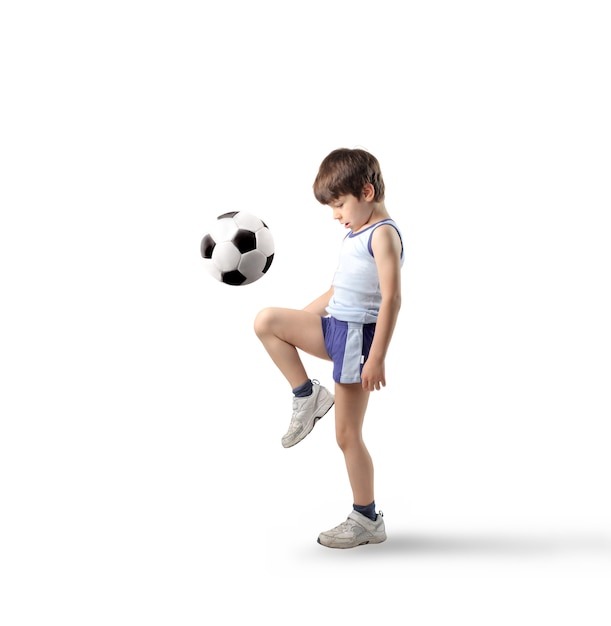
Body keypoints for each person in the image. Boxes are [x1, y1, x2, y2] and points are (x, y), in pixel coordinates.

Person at [254, 148, 404, 549]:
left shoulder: (383, 234)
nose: (336, 214)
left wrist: (376, 358)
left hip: (357, 339)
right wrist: (300, 323)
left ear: (367, 191)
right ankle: (308, 395)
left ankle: (366, 518)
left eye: (339, 204)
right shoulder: (356, 232)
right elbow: (338, 290)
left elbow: (391, 299)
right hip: (335, 326)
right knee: (268, 321)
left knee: (347, 435)